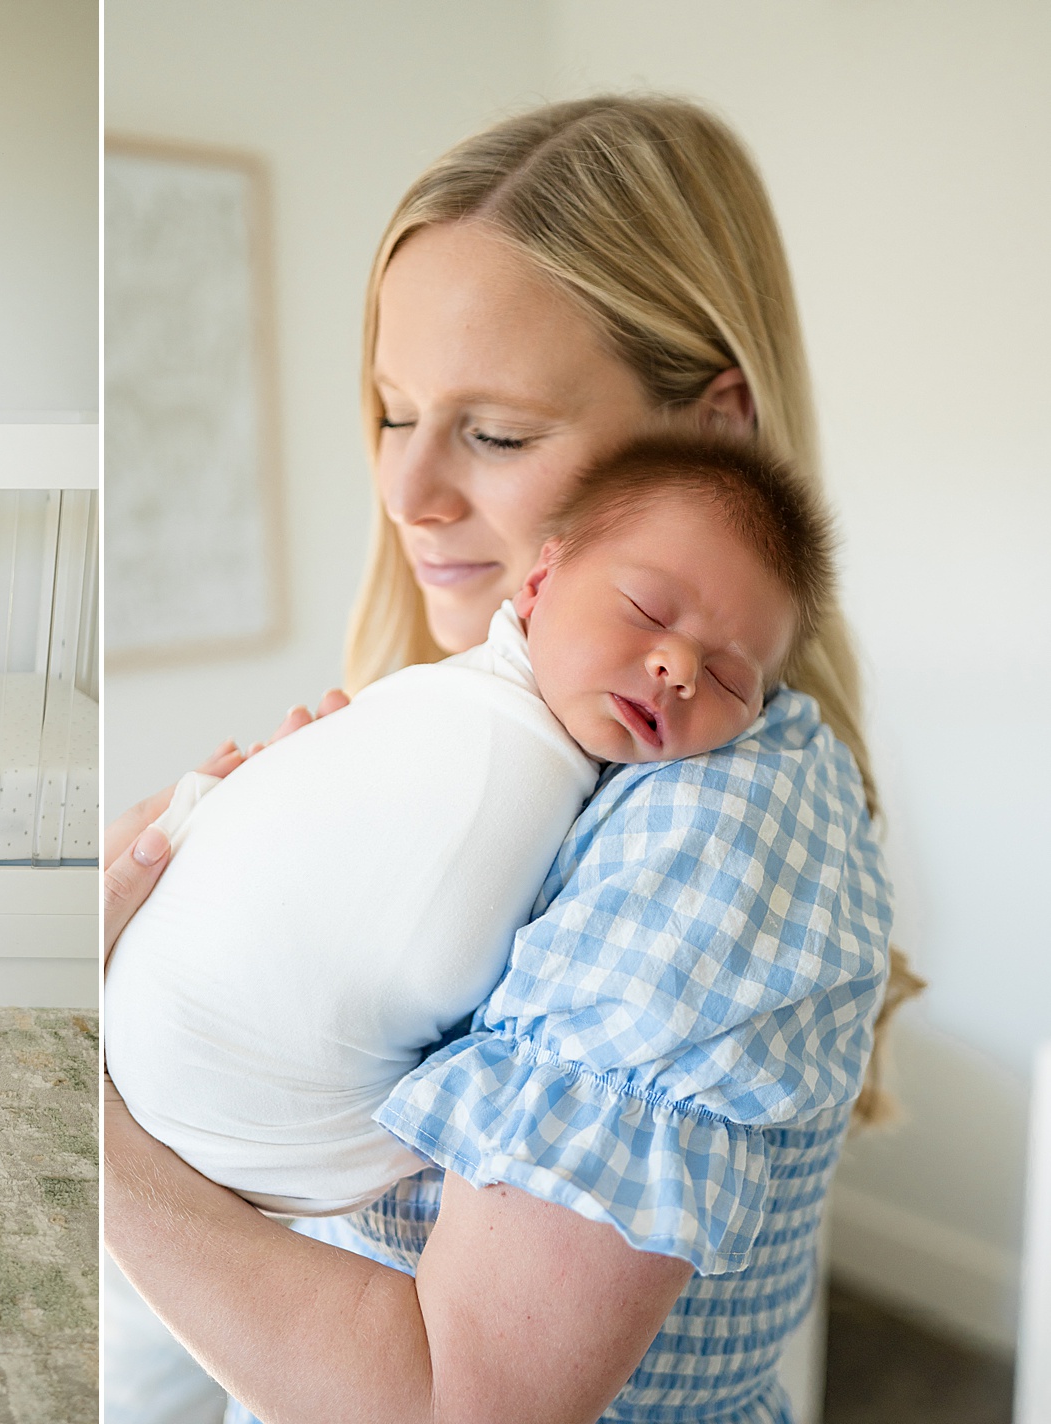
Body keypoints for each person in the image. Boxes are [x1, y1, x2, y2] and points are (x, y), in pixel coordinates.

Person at [103, 96, 914, 1424]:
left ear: (711, 434)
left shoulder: (716, 825)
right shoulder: (506, 739)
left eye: (495, 432)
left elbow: (455, 1406)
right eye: (391, 411)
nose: (408, 491)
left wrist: (91, 1123)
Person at [106, 434, 831, 1218]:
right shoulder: (514, 760)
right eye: (648, 611)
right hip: (239, 1126)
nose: (680, 669)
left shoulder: (450, 695)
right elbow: (442, 968)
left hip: (157, 1059)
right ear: (541, 579)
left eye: (728, 678)